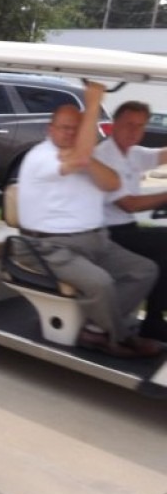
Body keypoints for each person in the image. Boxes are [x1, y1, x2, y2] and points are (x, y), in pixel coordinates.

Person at [16, 82, 160, 358]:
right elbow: (81, 159)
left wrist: (85, 156)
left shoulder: (84, 157)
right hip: (49, 247)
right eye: (65, 127)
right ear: (51, 129)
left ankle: (96, 329)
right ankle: (119, 337)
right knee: (100, 283)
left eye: (76, 128)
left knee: (145, 269)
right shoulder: (41, 156)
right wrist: (93, 102)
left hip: (94, 240)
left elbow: (111, 182)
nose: (70, 133)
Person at [94, 100, 167, 342]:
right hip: (106, 234)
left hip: (126, 229)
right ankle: (153, 321)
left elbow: (162, 155)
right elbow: (129, 204)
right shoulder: (104, 156)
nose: (134, 131)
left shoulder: (132, 153)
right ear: (114, 125)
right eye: (128, 125)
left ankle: (154, 319)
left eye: (140, 126)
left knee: (162, 250)